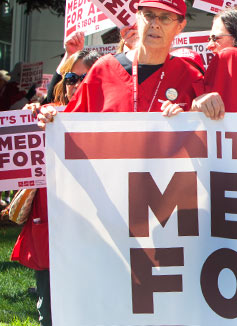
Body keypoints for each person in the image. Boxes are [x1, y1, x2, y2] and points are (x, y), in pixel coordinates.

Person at [12, 49, 101, 326]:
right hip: (50, 226)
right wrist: (29, 122)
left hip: (94, 230)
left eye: (81, 77)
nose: (74, 84)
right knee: (49, 312)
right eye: (70, 78)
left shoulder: (113, 118)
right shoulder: (47, 117)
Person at [39, 0, 203, 120]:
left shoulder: (190, 77)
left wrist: (187, 120)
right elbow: (72, 123)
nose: (155, 24)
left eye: (166, 18)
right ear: (137, 18)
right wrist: (51, 117)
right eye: (149, 15)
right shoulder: (104, 69)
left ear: (180, 27)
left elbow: (205, 138)